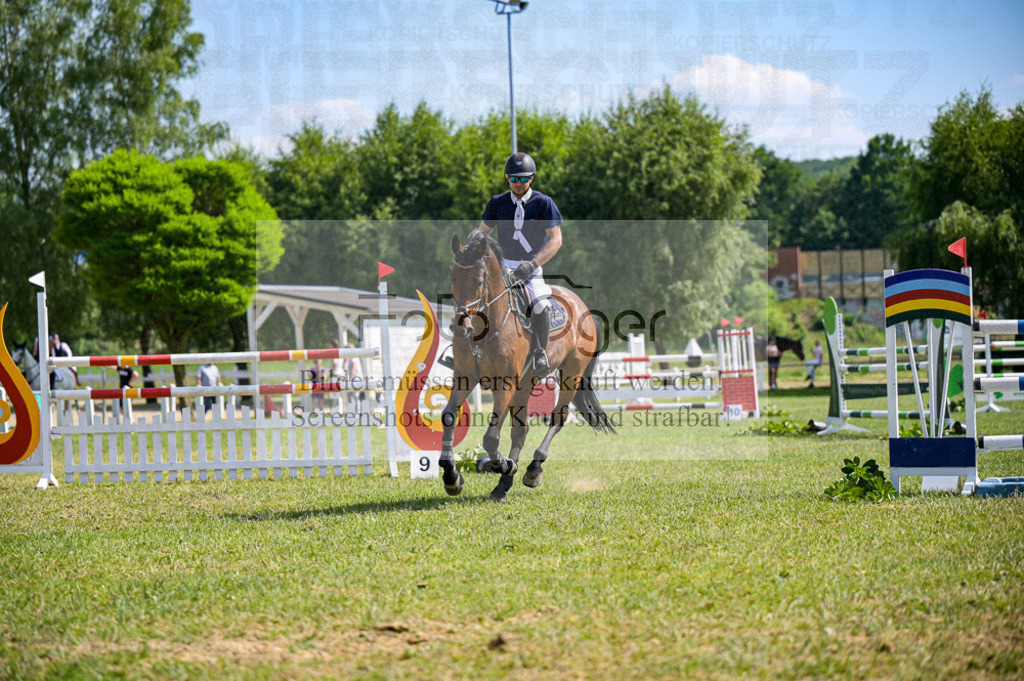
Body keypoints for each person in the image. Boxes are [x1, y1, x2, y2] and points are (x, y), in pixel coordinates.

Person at [477, 152, 563, 375]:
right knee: (477, 298)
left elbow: (556, 239)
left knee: (539, 303)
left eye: (523, 179)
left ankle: (540, 353)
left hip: (530, 268)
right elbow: (483, 231)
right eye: (513, 178)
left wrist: (533, 264)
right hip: (503, 268)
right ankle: (469, 350)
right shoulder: (497, 202)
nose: (518, 183)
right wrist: (474, 240)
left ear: (531, 178)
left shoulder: (544, 203)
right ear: (507, 178)